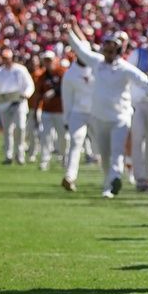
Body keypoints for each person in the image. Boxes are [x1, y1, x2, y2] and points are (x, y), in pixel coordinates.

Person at [66, 25, 148, 198]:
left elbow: (144, 80)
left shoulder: (125, 68)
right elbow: (80, 49)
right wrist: (69, 31)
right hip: (99, 118)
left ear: (118, 51)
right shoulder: (97, 63)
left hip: (120, 117)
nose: (108, 53)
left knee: (117, 151)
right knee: (104, 155)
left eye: (112, 50)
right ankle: (108, 182)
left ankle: (114, 180)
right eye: (106, 49)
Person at [0, 48, 35, 165]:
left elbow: (30, 85)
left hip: (19, 101)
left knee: (20, 127)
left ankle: (20, 154)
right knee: (7, 130)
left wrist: (26, 94)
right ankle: (8, 155)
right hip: (4, 102)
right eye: (4, 59)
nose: (6, 61)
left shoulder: (20, 70)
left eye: (8, 58)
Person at [60, 57, 95, 192]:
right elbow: (67, 98)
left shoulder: (96, 68)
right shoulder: (70, 73)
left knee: (102, 146)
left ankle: (111, 178)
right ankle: (70, 176)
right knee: (76, 142)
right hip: (78, 113)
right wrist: (66, 119)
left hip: (96, 112)